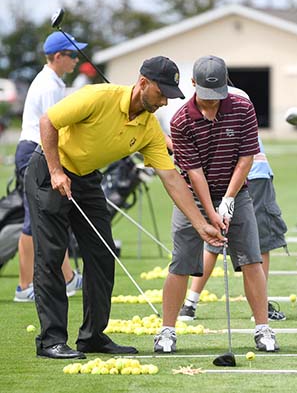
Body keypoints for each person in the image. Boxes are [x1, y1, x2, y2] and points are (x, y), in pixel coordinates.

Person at [25, 55, 225, 360]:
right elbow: (47, 122)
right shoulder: (98, 96)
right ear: (143, 83)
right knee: (52, 255)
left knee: (102, 255)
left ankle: (92, 336)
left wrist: (201, 225)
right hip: (49, 170)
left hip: (87, 178)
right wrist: (55, 171)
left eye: (171, 97)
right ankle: (51, 340)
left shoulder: (149, 129)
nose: (165, 103)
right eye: (161, 94)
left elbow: (171, 178)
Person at [154, 56, 279, 354]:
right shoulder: (181, 120)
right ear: (193, 84)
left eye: (217, 96)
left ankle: (263, 329)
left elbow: (246, 157)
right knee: (181, 261)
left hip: (237, 192)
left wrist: (230, 199)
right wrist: (211, 212)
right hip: (193, 197)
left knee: (251, 259)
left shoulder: (242, 108)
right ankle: (167, 331)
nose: (212, 104)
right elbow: (194, 173)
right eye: (206, 97)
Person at [177, 87, 288, 322]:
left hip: (227, 182)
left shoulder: (213, 99)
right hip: (251, 179)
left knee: (214, 244)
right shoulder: (239, 97)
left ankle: (190, 303)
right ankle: (262, 306)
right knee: (258, 247)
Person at [13, 31, 86, 302]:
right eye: (73, 55)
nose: (76, 60)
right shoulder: (49, 85)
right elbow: (52, 128)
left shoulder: (53, 81)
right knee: (35, 220)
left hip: (37, 152)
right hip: (34, 153)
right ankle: (24, 287)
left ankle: (67, 277)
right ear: (58, 57)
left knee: (53, 216)